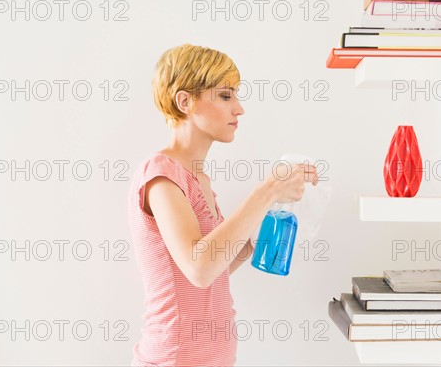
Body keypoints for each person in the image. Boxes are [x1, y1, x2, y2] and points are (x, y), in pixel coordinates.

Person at [127, 43, 318, 367]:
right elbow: (199, 268)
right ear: (185, 101)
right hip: (174, 360)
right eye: (226, 95)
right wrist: (267, 191)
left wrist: (256, 233)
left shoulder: (199, 179)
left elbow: (214, 269)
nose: (239, 109)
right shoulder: (161, 174)